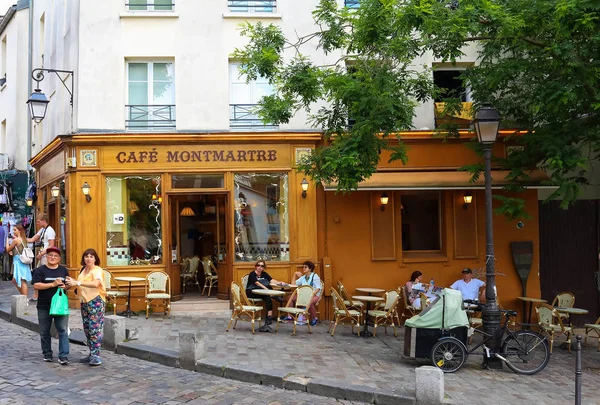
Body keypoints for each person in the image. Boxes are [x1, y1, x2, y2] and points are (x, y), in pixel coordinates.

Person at [66, 248, 106, 366]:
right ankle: (91, 353)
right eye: (86, 256)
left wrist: (77, 283)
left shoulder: (97, 270)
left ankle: (96, 356)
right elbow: (79, 283)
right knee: (87, 329)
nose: (88, 259)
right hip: (84, 302)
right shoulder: (83, 270)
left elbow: (96, 284)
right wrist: (72, 282)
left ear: (95, 259)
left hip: (96, 301)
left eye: (91, 256)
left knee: (95, 329)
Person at [31, 246, 70, 365]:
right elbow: (36, 285)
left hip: (60, 305)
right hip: (44, 305)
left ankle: (63, 356)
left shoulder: (63, 270)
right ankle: (47, 354)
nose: (53, 257)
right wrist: (52, 284)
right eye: (50, 255)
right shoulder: (40, 270)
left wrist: (66, 286)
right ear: (46, 257)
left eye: (55, 256)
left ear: (59, 259)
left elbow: (68, 284)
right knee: (44, 331)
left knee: (62, 330)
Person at [27, 213, 56, 301]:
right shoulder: (42, 230)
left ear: (44, 221)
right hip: (43, 255)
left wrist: (42, 253)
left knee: (44, 275)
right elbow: (32, 239)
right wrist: (21, 238)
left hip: (46, 256)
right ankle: (36, 295)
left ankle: (44, 295)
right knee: (37, 274)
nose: (37, 223)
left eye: (39, 222)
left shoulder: (50, 231)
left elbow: (51, 245)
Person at [245, 260, 284, 325]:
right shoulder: (252, 274)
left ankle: (269, 317)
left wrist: (279, 282)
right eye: (258, 265)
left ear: (264, 267)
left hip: (262, 293)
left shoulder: (264, 274)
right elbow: (257, 283)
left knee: (267, 296)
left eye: (262, 266)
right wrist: (267, 290)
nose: (260, 267)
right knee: (267, 292)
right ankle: (274, 296)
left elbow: (271, 280)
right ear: (256, 266)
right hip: (251, 292)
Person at [291, 260, 322, 326]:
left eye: (305, 267)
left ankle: (314, 318)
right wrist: (295, 274)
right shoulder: (303, 277)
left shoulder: (315, 276)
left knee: (309, 302)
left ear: (310, 269)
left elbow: (318, 288)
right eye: (303, 267)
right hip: (304, 296)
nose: (303, 268)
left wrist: (312, 295)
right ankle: (290, 317)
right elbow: (293, 284)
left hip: (315, 295)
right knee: (290, 298)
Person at [5, 224, 32, 297]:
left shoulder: (16, 240)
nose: (13, 231)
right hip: (21, 260)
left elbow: (8, 249)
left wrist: (7, 241)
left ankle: (24, 297)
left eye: (15, 230)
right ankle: (23, 295)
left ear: (19, 231)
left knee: (22, 280)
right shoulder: (23, 239)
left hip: (19, 261)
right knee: (16, 280)